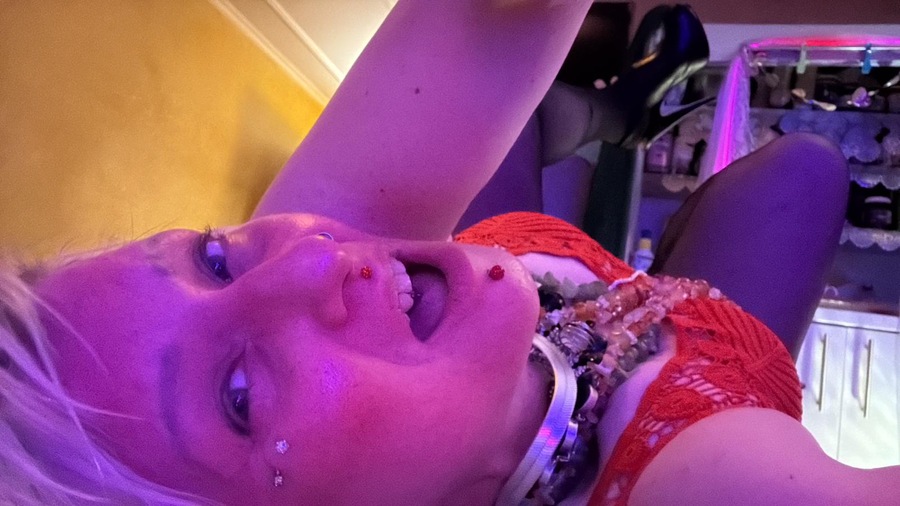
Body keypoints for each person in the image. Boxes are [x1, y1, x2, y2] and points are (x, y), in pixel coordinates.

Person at [0, 1, 896, 505]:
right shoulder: (717, 486)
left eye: (210, 258)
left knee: (531, 124)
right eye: (239, 395)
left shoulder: (317, 267)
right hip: (711, 384)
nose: (311, 255)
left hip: (525, 311)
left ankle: (621, 113)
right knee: (805, 172)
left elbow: (480, 21)